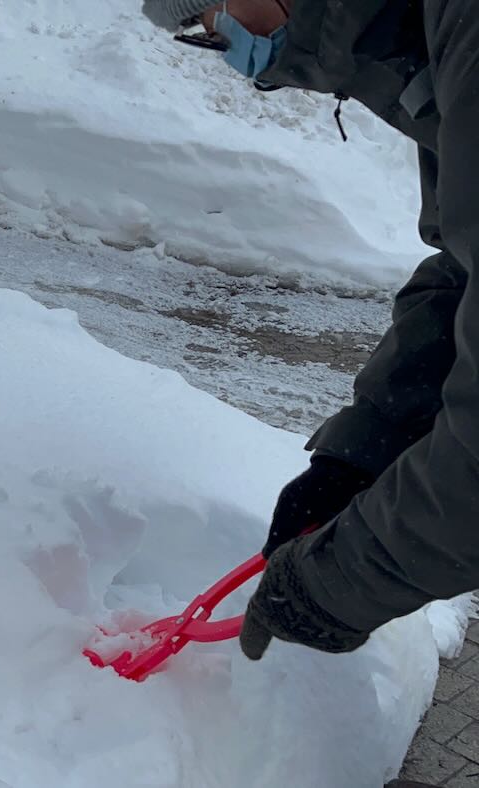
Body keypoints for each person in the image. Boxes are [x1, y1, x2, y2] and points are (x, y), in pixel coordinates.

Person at [141, 0, 476, 784]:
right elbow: (464, 272)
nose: (223, 46)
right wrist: (364, 450)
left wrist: (339, 583)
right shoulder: (412, 39)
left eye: (206, 17)